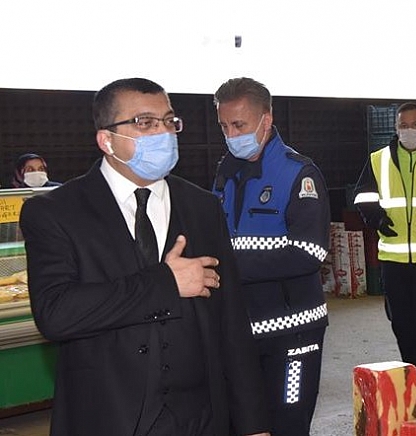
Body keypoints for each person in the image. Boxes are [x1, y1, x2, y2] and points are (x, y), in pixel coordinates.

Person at [19, 78, 270, 436]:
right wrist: (165, 283)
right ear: (106, 140)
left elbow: (231, 323)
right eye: (145, 123)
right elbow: (56, 313)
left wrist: (253, 423)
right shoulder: (56, 212)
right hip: (107, 416)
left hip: (199, 416)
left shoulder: (202, 207)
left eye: (169, 121)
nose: (163, 133)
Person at [211, 77, 330, 436]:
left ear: (267, 119)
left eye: (239, 125)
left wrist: (230, 267)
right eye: (224, 126)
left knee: (288, 425)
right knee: (246, 424)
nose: (231, 135)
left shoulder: (299, 174)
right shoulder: (226, 174)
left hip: (293, 336)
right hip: (240, 332)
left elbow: (309, 252)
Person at [353, 102, 416, 391]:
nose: (408, 130)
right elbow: (362, 195)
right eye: (403, 125)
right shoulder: (379, 159)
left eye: (414, 125)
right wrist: (376, 218)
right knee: (400, 322)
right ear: (395, 128)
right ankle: (412, 375)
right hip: (393, 258)